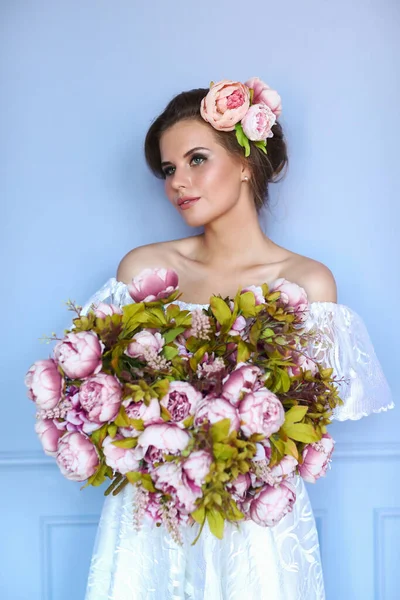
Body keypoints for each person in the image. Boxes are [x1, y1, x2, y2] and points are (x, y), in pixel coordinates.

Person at [82, 79, 394, 600]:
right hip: (153, 516)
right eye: (168, 169)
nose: (178, 182)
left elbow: (306, 425)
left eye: (196, 159)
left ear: (247, 163)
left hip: (256, 527)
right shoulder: (144, 272)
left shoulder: (306, 285)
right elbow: (108, 404)